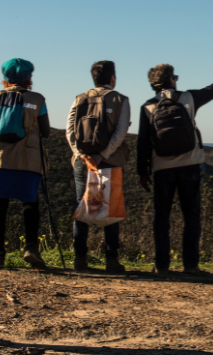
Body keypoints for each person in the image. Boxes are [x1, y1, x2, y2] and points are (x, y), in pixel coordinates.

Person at [137, 64, 213, 275]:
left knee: (162, 217)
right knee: (191, 216)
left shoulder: (148, 107)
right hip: (190, 165)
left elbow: (143, 143)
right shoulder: (188, 98)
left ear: (153, 85)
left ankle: (162, 265)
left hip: (162, 168)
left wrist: (143, 172)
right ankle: (191, 265)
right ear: (172, 80)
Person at [0, 58, 51, 271]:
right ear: (28, 78)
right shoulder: (37, 99)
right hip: (28, 159)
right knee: (30, 203)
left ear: (5, 78)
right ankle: (31, 249)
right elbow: (46, 132)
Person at [66, 60, 130, 273]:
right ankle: (111, 260)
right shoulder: (121, 100)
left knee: (82, 207)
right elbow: (120, 134)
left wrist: (81, 155)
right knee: (110, 208)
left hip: (82, 163)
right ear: (112, 78)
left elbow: (70, 131)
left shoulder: (79, 98)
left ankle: (80, 260)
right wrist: (102, 156)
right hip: (110, 162)